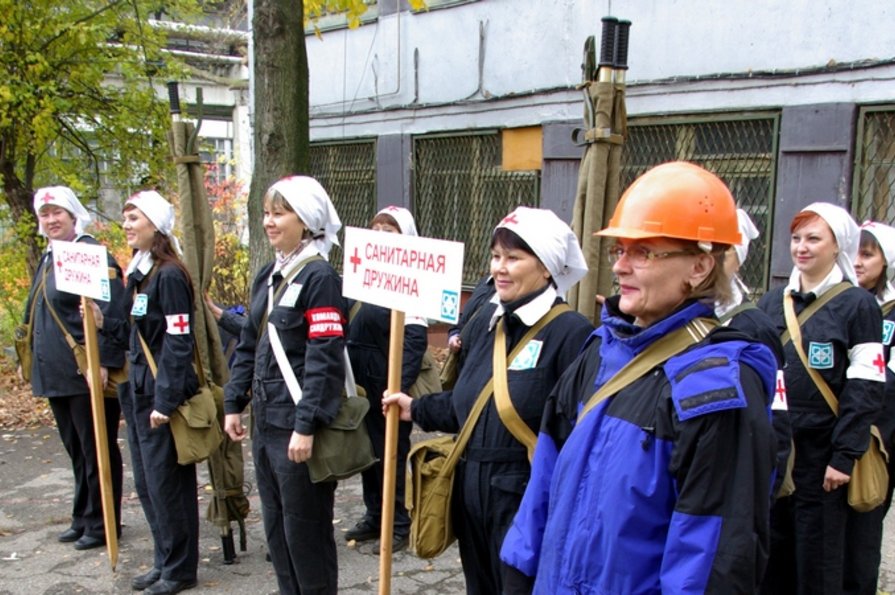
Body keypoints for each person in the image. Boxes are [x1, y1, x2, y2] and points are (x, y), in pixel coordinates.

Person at [500, 162, 778, 594]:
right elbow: (545, 479)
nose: (620, 267)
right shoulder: (599, 351)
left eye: (643, 252)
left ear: (700, 267)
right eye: (620, 250)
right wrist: (519, 569)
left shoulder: (716, 388)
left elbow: (713, 555)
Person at [383, 206, 594, 594]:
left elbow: (580, 436)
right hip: (471, 493)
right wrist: (415, 408)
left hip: (524, 500)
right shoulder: (487, 320)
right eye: (496, 256)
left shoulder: (572, 333)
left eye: (514, 258)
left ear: (547, 267)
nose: (500, 267)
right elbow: (467, 404)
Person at [224, 175, 346, 595]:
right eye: (266, 213)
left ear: (307, 220)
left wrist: (306, 424)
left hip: (295, 427)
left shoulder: (319, 277)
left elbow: (324, 356)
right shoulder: (268, 275)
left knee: (305, 536)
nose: (269, 222)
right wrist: (232, 402)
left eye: (280, 213)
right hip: (265, 422)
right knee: (277, 533)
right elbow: (248, 343)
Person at [758, 203, 885, 595]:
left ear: (837, 246)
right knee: (773, 554)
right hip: (779, 451)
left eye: (814, 238)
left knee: (819, 557)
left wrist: (844, 454)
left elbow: (866, 384)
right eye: (797, 238)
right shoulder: (772, 301)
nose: (802, 247)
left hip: (824, 456)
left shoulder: (858, 305)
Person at [22, 186, 126, 551]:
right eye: (45, 215)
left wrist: (105, 361)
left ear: (72, 215)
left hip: (85, 371)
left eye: (58, 213)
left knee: (95, 447)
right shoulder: (51, 256)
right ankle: (84, 515)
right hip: (58, 374)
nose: (51, 220)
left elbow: (111, 310)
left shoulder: (89, 252)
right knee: (77, 450)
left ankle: (103, 522)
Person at [111, 190, 200, 594]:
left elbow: (179, 343)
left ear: (156, 225)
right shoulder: (141, 273)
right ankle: (164, 559)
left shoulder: (169, 275)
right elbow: (136, 332)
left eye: (134, 218)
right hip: (138, 392)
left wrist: (165, 401)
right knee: (148, 484)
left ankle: (180, 568)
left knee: (168, 485)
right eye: (125, 218)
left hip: (160, 396)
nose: (127, 225)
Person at [343, 206, 428, 550]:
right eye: (375, 228)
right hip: (359, 381)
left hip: (387, 383)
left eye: (388, 230)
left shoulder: (411, 283)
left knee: (390, 452)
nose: (379, 234)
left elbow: (414, 341)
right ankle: (374, 514)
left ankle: (398, 523)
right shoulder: (361, 279)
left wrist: (397, 387)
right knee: (368, 452)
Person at [716, 209, 792, 497]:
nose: (712, 261)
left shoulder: (755, 326)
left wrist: (764, 494)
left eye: (724, 253)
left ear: (738, 260)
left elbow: (776, 413)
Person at [842, 220, 895, 595]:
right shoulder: (841, 304)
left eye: (868, 253)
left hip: (875, 443)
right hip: (833, 435)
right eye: (854, 253)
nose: (858, 263)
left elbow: (888, 384)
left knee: (861, 533)